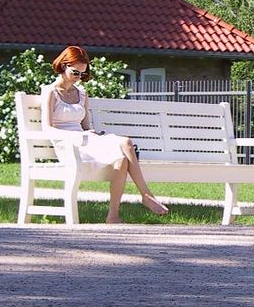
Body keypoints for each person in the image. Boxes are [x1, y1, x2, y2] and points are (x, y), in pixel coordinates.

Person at [40, 46, 169, 223]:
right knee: (123, 148)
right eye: (76, 72)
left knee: (124, 150)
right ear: (64, 66)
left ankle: (114, 215)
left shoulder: (82, 94)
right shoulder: (50, 92)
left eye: (83, 74)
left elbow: (85, 126)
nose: (79, 77)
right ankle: (146, 196)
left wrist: (91, 133)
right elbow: (47, 128)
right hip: (68, 145)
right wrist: (75, 137)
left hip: (85, 140)